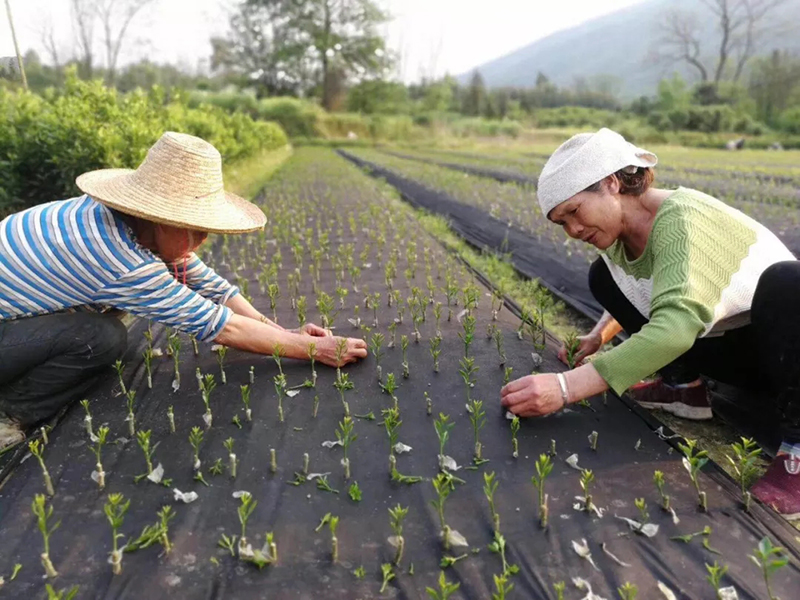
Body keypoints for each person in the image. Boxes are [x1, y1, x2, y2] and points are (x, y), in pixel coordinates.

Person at [500, 128, 800, 518]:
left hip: (784, 350)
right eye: (561, 223)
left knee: (788, 281)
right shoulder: (620, 234)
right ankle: (682, 388)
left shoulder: (682, 217)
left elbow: (675, 325)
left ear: (611, 183)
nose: (573, 230)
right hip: (743, 353)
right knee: (601, 276)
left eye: (574, 211)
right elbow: (646, 286)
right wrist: (598, 335)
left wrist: (564, 387)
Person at [0, 131, 367, 448]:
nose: (202, 239)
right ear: (157, 217)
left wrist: (281, 332)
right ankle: (10, 416)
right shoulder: (117, 259)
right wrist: (314, 349)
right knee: (101, 337)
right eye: (192, 226)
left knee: (104, 323)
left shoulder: (117, 220)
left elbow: (207, 283)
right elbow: (221, 326)